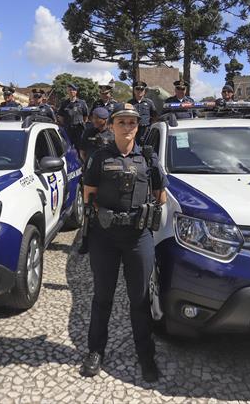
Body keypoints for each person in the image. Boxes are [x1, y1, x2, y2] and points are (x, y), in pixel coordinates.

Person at [80, 103, 167, 382]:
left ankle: (145, 354)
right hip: (104, 237)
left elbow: (160, 195)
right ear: (113, 125)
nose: (127, 127)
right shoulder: (99, 156)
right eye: (122, 122)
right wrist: (102, 215)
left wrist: (146, 212)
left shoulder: (149, 159)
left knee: (140, 299)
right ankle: (95, 350)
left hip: (137, 237)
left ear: (137, 127)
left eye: (132, 122)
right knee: (102, 297)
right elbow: (88, 195)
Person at [77, 107, 114, 255]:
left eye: (95, 118)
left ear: (103, 120)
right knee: (88, 209)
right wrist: (90, 166)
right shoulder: (88, 132)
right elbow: (82, 152)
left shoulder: (112, 135)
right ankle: (86, 242)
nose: (92, 120)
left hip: (107, 177)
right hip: (91, 176)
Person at [57, 83, 89, 149]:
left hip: (79, 130)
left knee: (80, 148)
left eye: (73, 90)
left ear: (76, 91)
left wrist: (82, 123)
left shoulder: (82, 103)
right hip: (68, 130)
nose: (71, 91)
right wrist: (66, 124)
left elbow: (85, 116)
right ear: (67, 91)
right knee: (68, 148)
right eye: (69, 90)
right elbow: (60, 117)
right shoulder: (64, 103)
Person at [128, 81, 158, 145]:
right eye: (137, 89)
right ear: (134, 90)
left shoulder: (149, 102)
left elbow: (154, 116)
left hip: (146, 130)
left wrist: (151, 127)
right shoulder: (129, 103)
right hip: (133, 130)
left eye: (142, 89)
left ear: (144, 91)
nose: (140, 91)